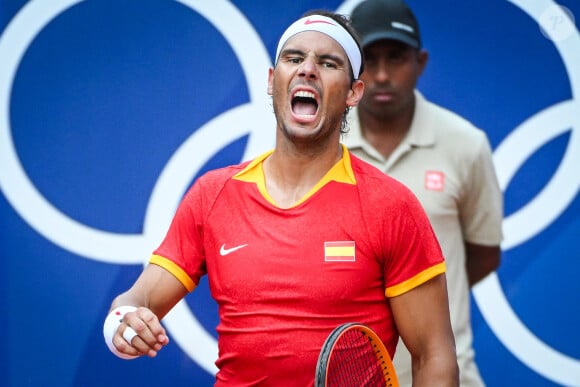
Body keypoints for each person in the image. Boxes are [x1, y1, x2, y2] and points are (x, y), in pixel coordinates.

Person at [102, 9, 459, 386]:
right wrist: (122, 326)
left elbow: (433, 355)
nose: (307, 69)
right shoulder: (213, 194)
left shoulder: (390, 206)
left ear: (354, 92)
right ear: (273, 81)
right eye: (293, 58)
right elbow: (132, 303)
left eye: (327, 62)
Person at [346, 0, 503, 386]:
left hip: (450, 375)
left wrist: (417, 297)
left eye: (396, 58)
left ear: (421, 62)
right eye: (369, 59)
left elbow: (482, 255)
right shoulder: (318, 147)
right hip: (349, 376)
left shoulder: (467, 144)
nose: (382, 75)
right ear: (350, 69)